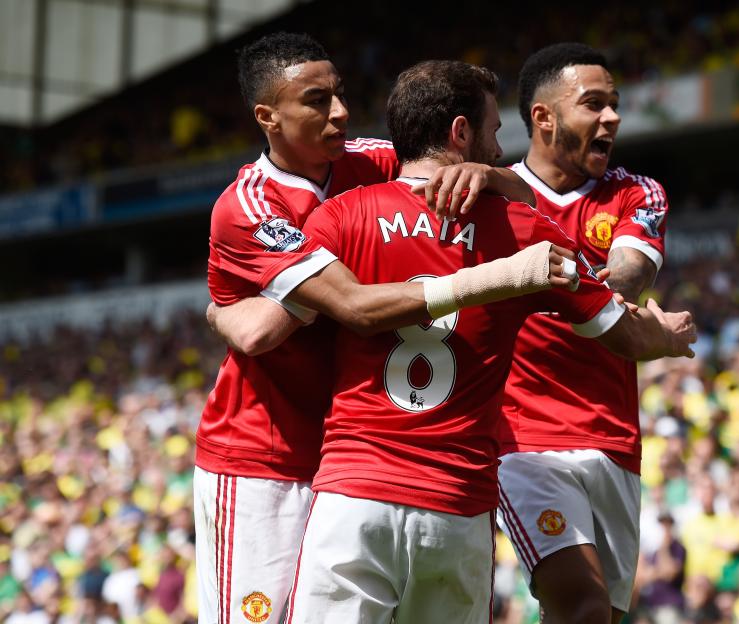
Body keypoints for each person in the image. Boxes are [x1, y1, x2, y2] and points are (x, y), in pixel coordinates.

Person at [281, 59, 696, 623]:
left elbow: (282, 324)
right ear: (462, 133)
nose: (499, 151)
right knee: (586, 608)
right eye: (494, 133)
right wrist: (665, 336)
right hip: (462, 499)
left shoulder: (339, 217)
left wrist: (223, 311)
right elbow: (622, 331)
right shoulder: (523, 233)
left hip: (355, 494)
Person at [195, 32, 574, 624]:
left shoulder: (372, 160)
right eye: (316, 101)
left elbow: (522, 193)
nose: (340, 112)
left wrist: (488, 174)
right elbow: (308, 320)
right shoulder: (249, 205)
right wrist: (238, 316)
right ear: (267, 117)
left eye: (339, 94)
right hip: (265, 459)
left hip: (354, 460)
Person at [496, 42, 672, 623]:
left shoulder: (637, 193)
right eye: (594, 104)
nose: (612, 117)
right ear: (543, 117)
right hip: (527, 442)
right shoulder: (492, 199)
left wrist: (545, 278)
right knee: (585, 608)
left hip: (614, 441)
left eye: (614, 104)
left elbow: (627, 277)